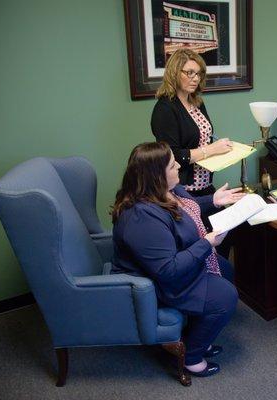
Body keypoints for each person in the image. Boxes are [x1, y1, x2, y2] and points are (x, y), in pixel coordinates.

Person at [111, 142, 245, 377]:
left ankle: (196, 336)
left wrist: (213, 200)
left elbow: (185, 207)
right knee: (225, 297)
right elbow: (167, 270)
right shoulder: (141, 217)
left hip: (182, 258)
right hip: (158, 280)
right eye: (173, 166)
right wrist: (207, 244)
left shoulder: (166, 191)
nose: (178, 168)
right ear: (156, 176)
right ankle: (190, 357)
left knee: (226, 271)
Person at [151, 48, 232, 195]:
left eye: (198, 74)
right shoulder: (164, 109)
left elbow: (202, 139)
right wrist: (212, 149)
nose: (195, 78)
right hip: (183, 190)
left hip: (206, 185)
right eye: (189, 73)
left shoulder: (197, 102)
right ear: (174, 72)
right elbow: (173, 156)